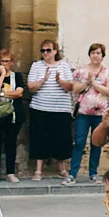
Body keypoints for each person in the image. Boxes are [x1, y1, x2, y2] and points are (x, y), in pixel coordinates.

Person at [25, 40, 73, 182]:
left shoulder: (64, 66)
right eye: (43, 50)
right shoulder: (36, 66)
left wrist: (59, 81)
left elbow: (70, 86)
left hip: (60, 108)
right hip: (40, 107)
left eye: (48, 50)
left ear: (55, 51)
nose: (45, 53)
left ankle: (62, 169)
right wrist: (43, 80)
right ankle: (38, 170)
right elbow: (31, 87)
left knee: (61, 139)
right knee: (39, 139)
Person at [70, 42, 109, 182]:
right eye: (93, 53)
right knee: (79, 142)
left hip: (100, 114)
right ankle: (73, 173)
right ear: (89, 54)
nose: (95, 56)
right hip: (83, 112)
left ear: (102, 56)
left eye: (98, 53)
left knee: (97, 142)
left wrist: (94, 83)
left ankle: (93, 173)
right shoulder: (81, 70)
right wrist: (87, 83)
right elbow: (75, 89)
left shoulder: (108, 72)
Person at [0, 50, 24, 182]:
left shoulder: (17, 76)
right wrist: (2, 75)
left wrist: (1, 95)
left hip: (12, 114)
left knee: (10, 142)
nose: (4, 63)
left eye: (7, 61)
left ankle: (10, 172)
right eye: (2, 61)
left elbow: (19, 93)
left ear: (12, 63)